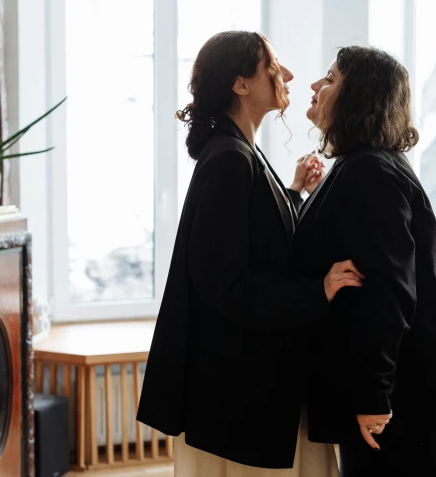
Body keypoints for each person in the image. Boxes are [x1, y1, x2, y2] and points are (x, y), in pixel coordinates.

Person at [137, 31, 361, 477]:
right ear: (240, 84)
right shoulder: (229, 160)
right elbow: (225, 283)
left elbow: (257, 242)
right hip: (239, 391)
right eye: (273, 67)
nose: (289, 75)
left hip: (246, 383)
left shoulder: (241, 153)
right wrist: (317, 291)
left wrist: (293, 193)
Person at [295, 46, 436, 477]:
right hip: (395, 388)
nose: (315, 86)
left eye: (331, 78)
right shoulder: (360, 166)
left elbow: (388, 290)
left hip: (399, 396)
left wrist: (374, 395)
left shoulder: (369, 171)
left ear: (359, 95)